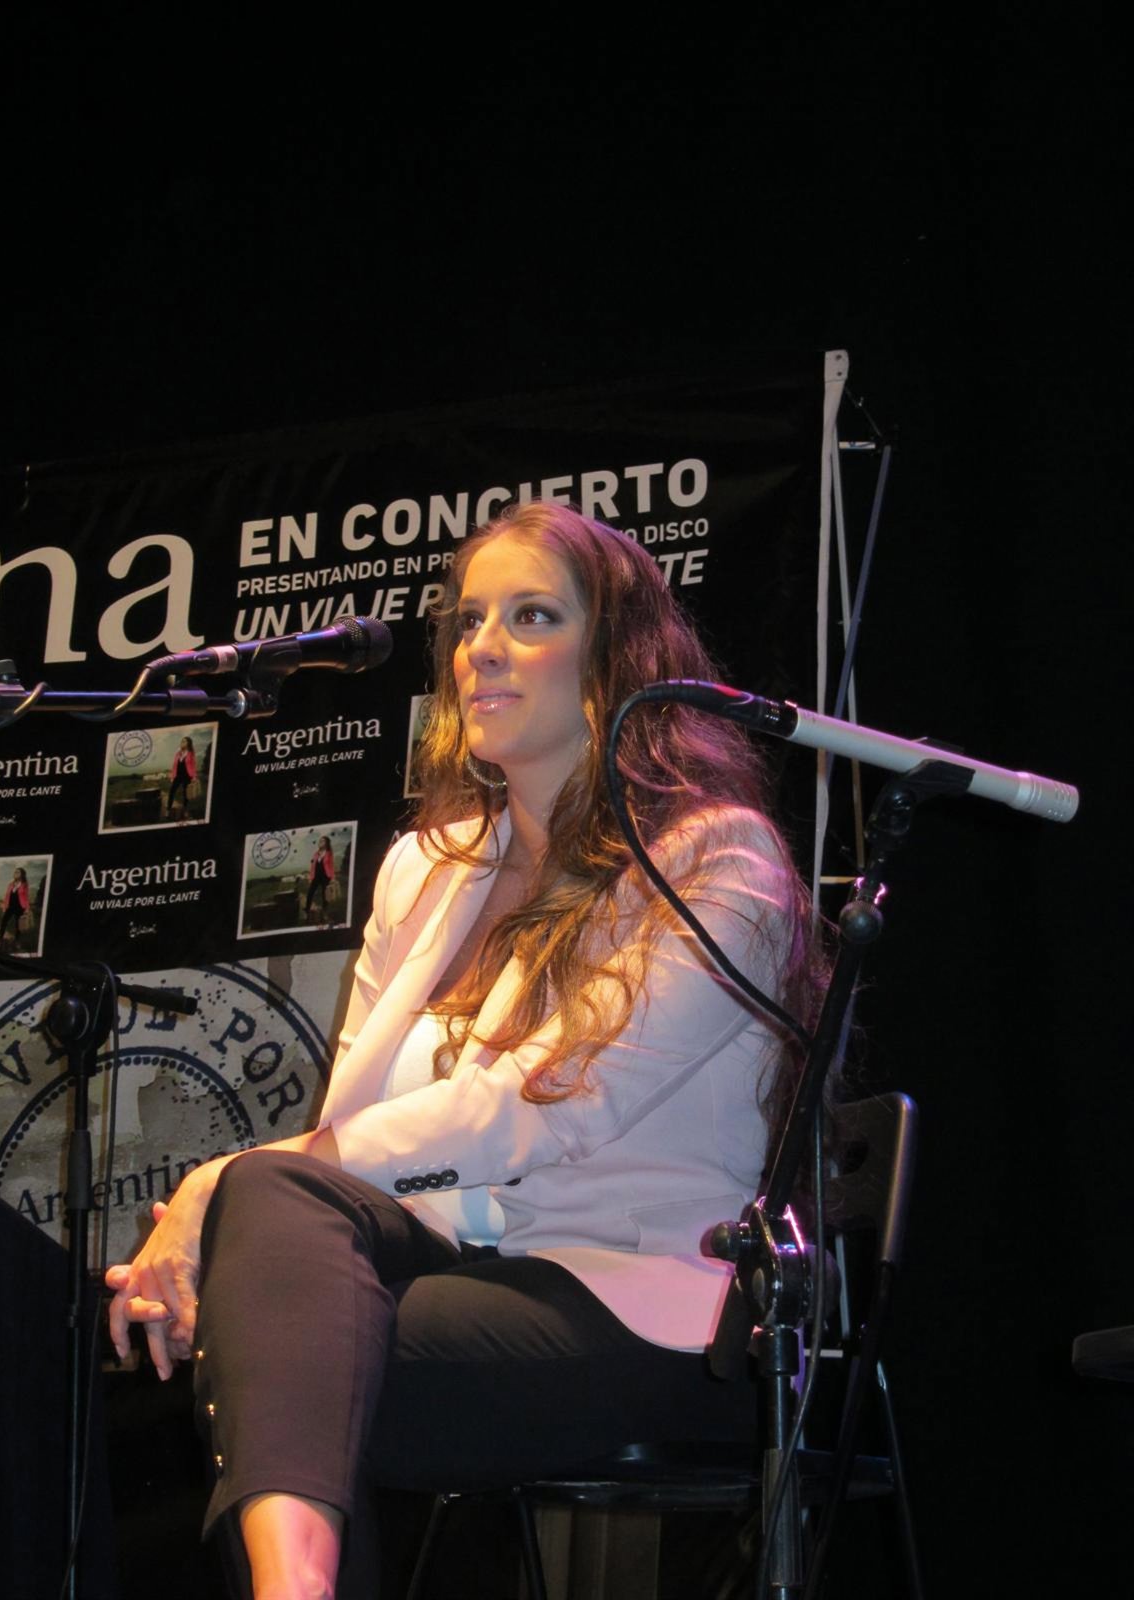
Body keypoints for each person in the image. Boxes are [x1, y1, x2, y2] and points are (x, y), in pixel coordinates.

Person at [107, 502, 823, 1599]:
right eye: (470, 619)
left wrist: (219, 1186)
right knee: (282, 1243)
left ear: (619, 656)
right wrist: (248, 1197)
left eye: (531, 616)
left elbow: (548, 1103)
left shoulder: (718, 861)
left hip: (643, 1302)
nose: (482, 646)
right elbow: (350, 1130)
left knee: (275, 1341)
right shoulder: (426, 868)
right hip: (454, 1270)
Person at [0, 866, 29, 947]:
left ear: (22, 874)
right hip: (10, 907)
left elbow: (26, 897)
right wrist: (4, 906)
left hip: (20, 907)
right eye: (15, 872)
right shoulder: (11, 884)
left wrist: (26, 908)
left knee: (18, 925)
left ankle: (17, 941)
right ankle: (0, 938)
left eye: (17, 872)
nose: (15, 873)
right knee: (4, 921)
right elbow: (6, 896)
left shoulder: (24, 885)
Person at [167, 735, 198, 818]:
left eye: (184, 741)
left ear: (188, 743)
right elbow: (174, 765)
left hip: (187, 776)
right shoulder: (178, 753)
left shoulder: (191, 753)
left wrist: (194, 776)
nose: (182, 742)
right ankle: (168, 810)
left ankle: (185, 811)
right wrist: (172, 776)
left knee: (185, 794)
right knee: (171, 792)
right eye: (181, 741)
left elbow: (193, 765)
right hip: (177, 776)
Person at [306, 835, 336, 919]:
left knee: (324, 894)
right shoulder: (316, 854)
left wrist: (332, 877)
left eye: (322, 841)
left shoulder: (329, 853)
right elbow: (313, 866)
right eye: (320, 841)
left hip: (325, 876)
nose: (320, 842)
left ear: (326, 843)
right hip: (316, 876)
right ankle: (307, 909)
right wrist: (310, 877)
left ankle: (324, 911)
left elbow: (331, 865)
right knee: (310, 892)